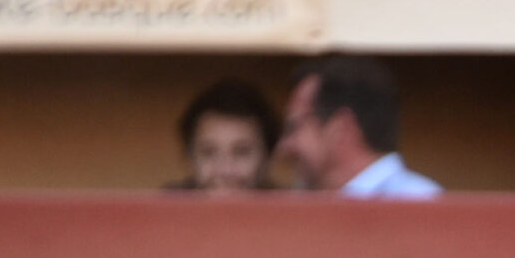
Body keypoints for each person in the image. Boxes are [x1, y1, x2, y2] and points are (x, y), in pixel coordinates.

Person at [281, 57, 441, 198]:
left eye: (294, 127)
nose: (285, 146)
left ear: (339, 128)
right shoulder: (317, 204)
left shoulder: (416, 202)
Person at [171, 78, 281, 194]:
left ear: (269, 158)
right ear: (189, 159)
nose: (225, 171)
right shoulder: (160, 209)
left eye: (241, 152)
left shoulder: (296, 209)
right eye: (208, 152)